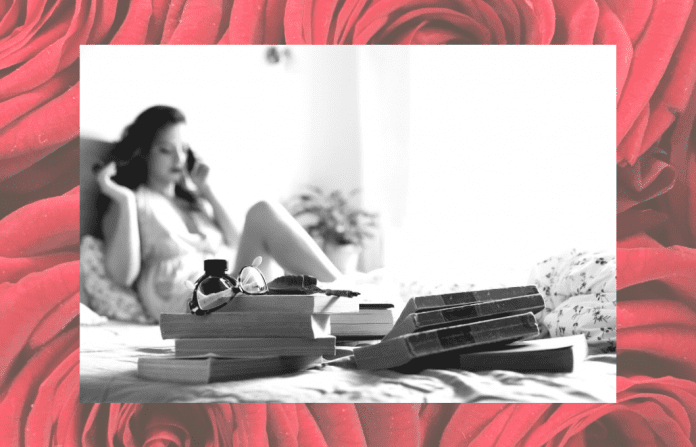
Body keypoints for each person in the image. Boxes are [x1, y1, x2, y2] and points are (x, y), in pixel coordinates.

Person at [95, 105, 342, 320]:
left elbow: (239, 241)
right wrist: (125, 200)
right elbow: (122, 276)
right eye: (165, 150)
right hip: (198, 301)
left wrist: (207, 190)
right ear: (144, 151)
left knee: (263, 213)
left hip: (234, 286)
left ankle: (342, 294)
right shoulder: (133, 202)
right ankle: (344, 295)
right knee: (261, 212)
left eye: (184, 148)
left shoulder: (194, 202)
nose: (179, 158)